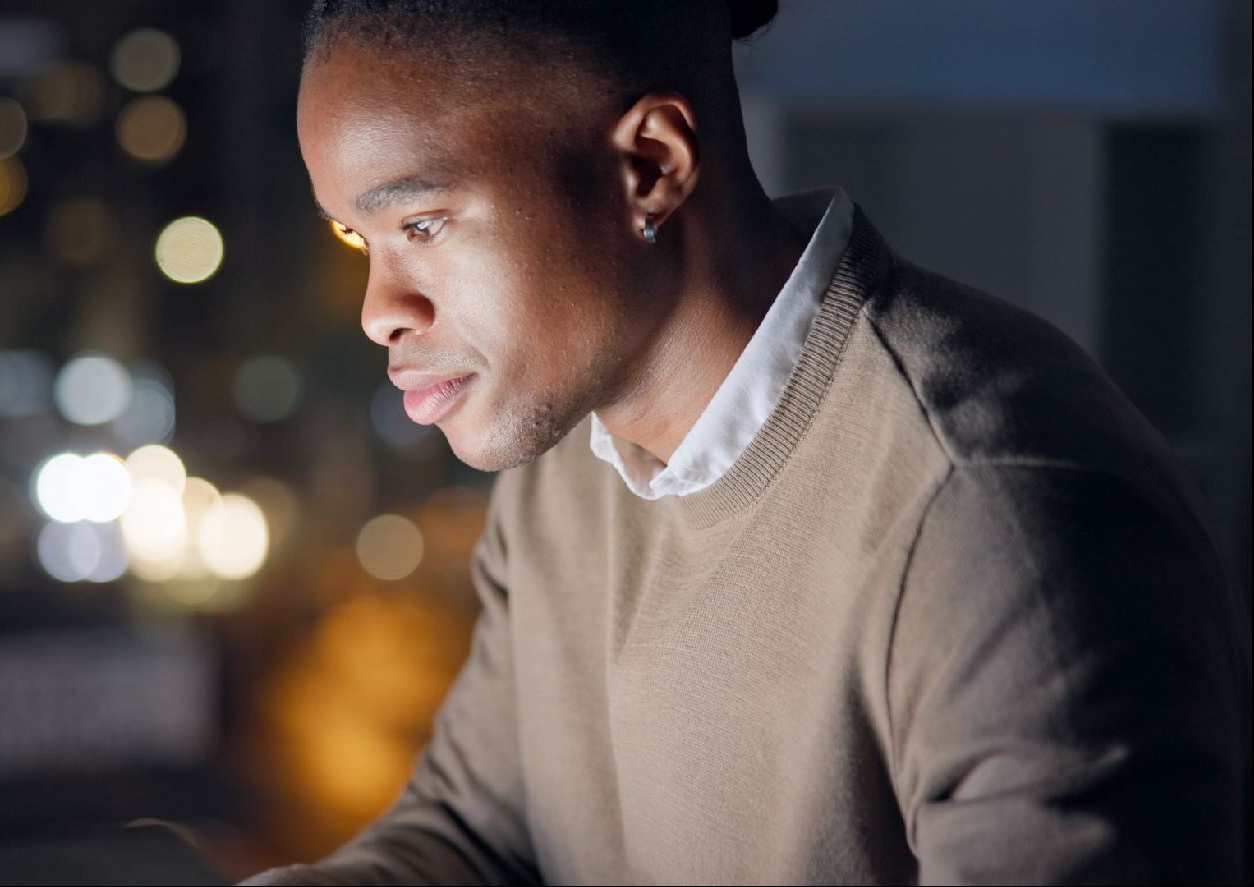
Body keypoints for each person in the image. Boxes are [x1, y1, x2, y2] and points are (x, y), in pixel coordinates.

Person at [249, 0, 1252, 882]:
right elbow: (480, 834)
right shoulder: (565, 472)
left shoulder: (995, 517)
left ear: (649, 167)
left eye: (420, 223)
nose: (380, 309)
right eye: (356, 237)